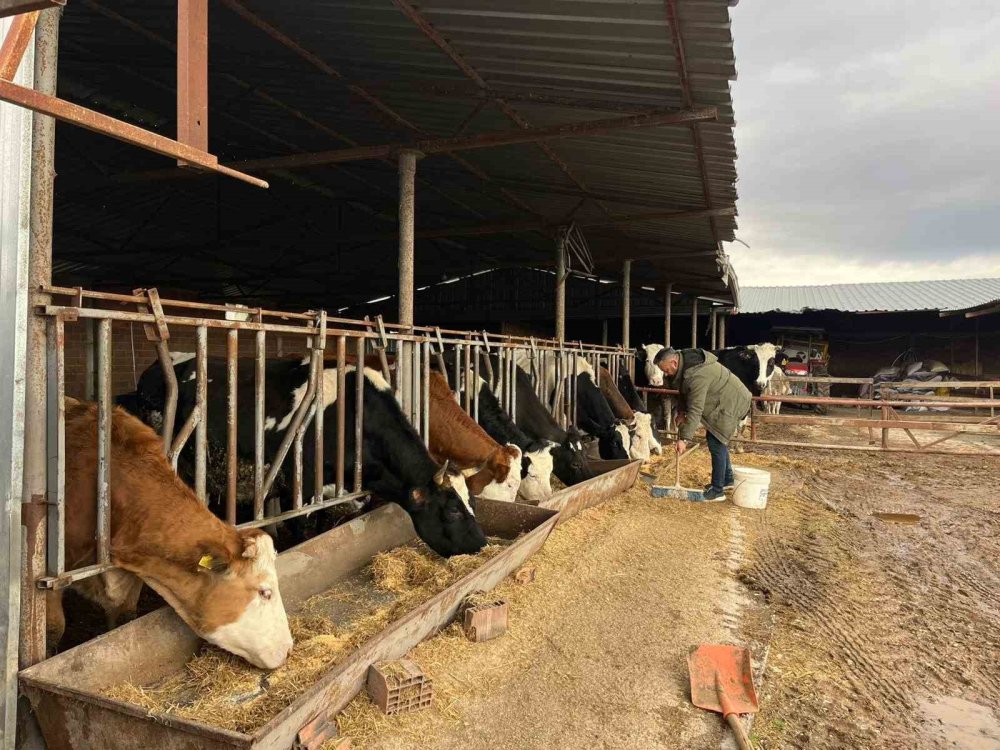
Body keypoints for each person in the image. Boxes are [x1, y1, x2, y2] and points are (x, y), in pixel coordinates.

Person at [653, 347, 751, 500]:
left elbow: (696, 409)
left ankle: (718, 490)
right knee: (717, 438)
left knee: (716, 441)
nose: (665, 374)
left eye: (665, 370)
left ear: (673, 362)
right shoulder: (686, 366)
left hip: (732, 401)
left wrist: (684, 439)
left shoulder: (697, 375)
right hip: (723, 398)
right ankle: (727, 480)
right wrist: (681, 412)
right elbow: (685, 392)